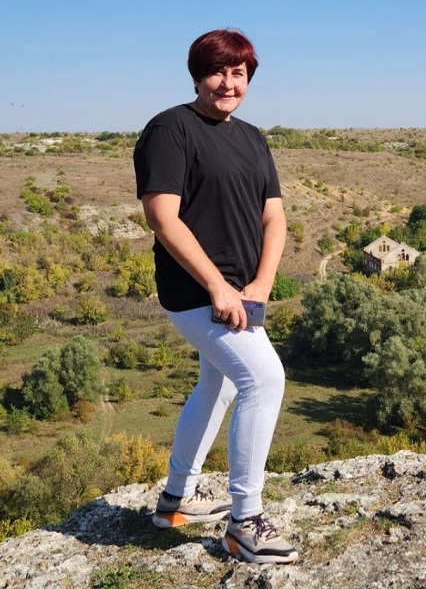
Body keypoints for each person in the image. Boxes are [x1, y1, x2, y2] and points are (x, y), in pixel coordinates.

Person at [133, 29, 298, 565]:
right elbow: (162, 217)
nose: (228, 84)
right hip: (197, 292)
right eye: (217, 72)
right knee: (264, 379)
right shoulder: (170, 130)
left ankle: (175, 501)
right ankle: (245, 523)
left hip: (243, 291)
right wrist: (216, 286)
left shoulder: (251, 138)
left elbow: (274, 216)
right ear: (197, 75)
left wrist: (263, 283)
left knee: (220, 384)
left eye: (239, 74)